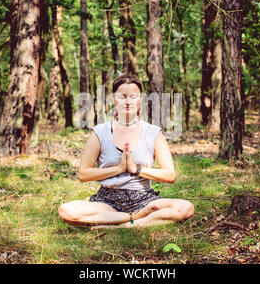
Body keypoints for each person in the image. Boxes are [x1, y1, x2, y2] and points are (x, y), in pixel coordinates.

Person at [58, 74, 194, 229]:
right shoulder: (100, 132)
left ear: (140, 99)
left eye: (133, 96)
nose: (128, 101)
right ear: (113, 99)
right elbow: (83, 174)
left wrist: (136, 170)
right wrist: (118, 169)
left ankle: (121, 226)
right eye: (122, 97)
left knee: (186, 208)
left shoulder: (153, 133)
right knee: (67, 211)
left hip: (144, 199)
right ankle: (134, 218)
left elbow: (170, 175)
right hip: (107, 201)